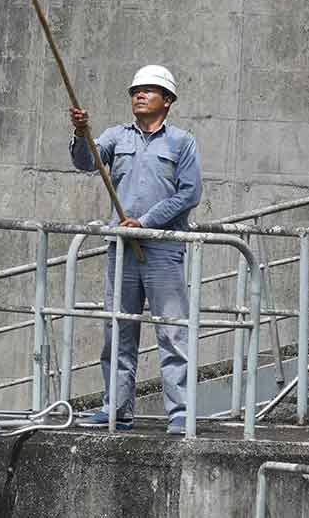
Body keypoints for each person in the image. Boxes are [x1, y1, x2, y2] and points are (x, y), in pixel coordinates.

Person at [68, 64, 202, 435]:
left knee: (172, 330)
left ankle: (180, 411)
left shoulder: (181, 142)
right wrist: (82, 133)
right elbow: (85, 163)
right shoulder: (115, 137)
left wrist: (146, 222)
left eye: (148, 90)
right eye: (135, 91)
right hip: (122, 248)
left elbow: (190, 193)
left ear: (167, 101)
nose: (139, 95)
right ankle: (116, 409)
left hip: (162, 249)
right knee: (118, 330)